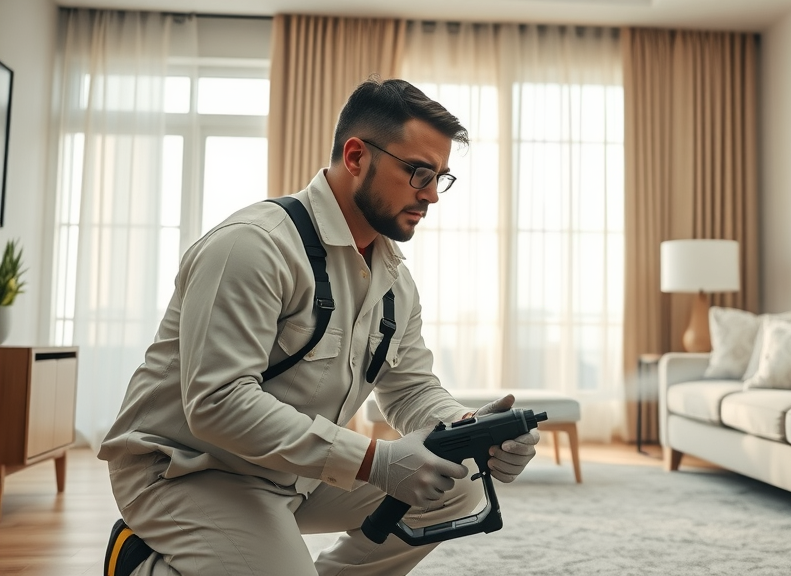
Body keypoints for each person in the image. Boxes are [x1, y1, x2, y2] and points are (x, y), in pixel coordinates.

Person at [98, 77, 540, 576]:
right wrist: (375, 460)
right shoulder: (253, 246)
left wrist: (466, 430)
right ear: (356, 157)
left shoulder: (395, 281)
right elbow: (216, 403)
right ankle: (139, 562)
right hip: (189, 472)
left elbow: (410, 390)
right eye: (419, 172)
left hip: (295, 470)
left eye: (441, 177)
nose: (433, 195)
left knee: (456, 485)